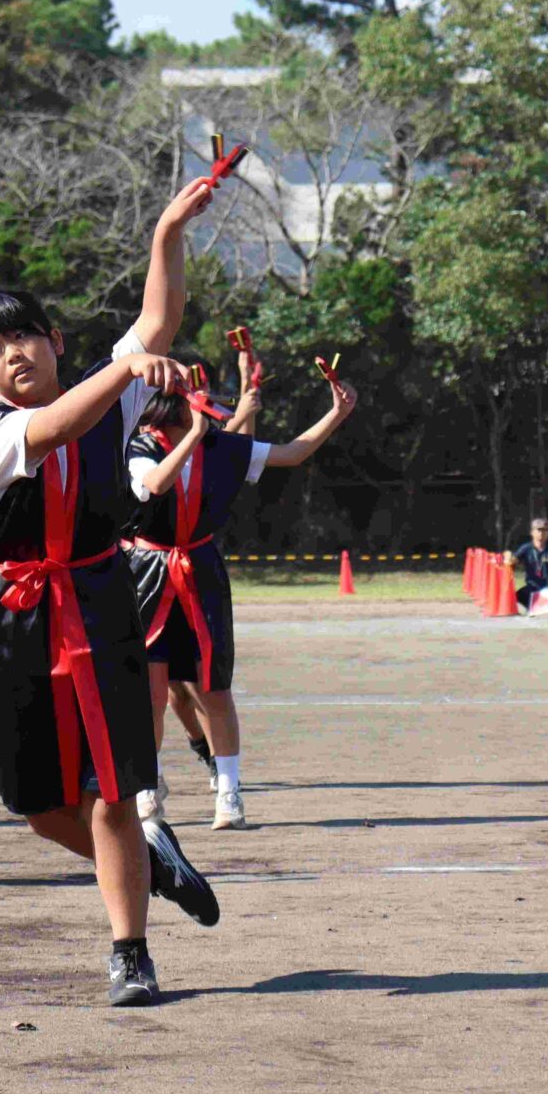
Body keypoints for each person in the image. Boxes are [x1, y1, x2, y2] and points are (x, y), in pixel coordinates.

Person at [0, 175, 222, 1007]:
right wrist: (129, 367)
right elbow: (58, 425)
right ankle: (158, 863)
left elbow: (159, 320)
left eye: (26, 336)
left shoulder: (107, 391)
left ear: (56, 341)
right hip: (20, 622)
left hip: (102, 603)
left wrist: (167, 231)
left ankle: (129, 952)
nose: (15, 354)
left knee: (112, 790)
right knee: (40, 808)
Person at [125, 338, 358, 832]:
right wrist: (194, 434)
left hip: (200, 570)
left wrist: (337, 413)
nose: (207, 396)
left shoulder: (223, 448)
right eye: (194, 387)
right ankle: (147, 786)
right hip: (147, 573)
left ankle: (229, 792)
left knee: (213, 688)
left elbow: (292, 453)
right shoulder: (140, 445)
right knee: (150, 692)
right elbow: (153, 486)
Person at [505, 518, 548, 614]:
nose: (542, 533)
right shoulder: (526, 548)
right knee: (517, 595)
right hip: (532, 587)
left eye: (545, 530)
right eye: (539, 530)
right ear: (532, 532)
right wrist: (508, 557)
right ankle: (532, 607)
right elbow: (513, 561)